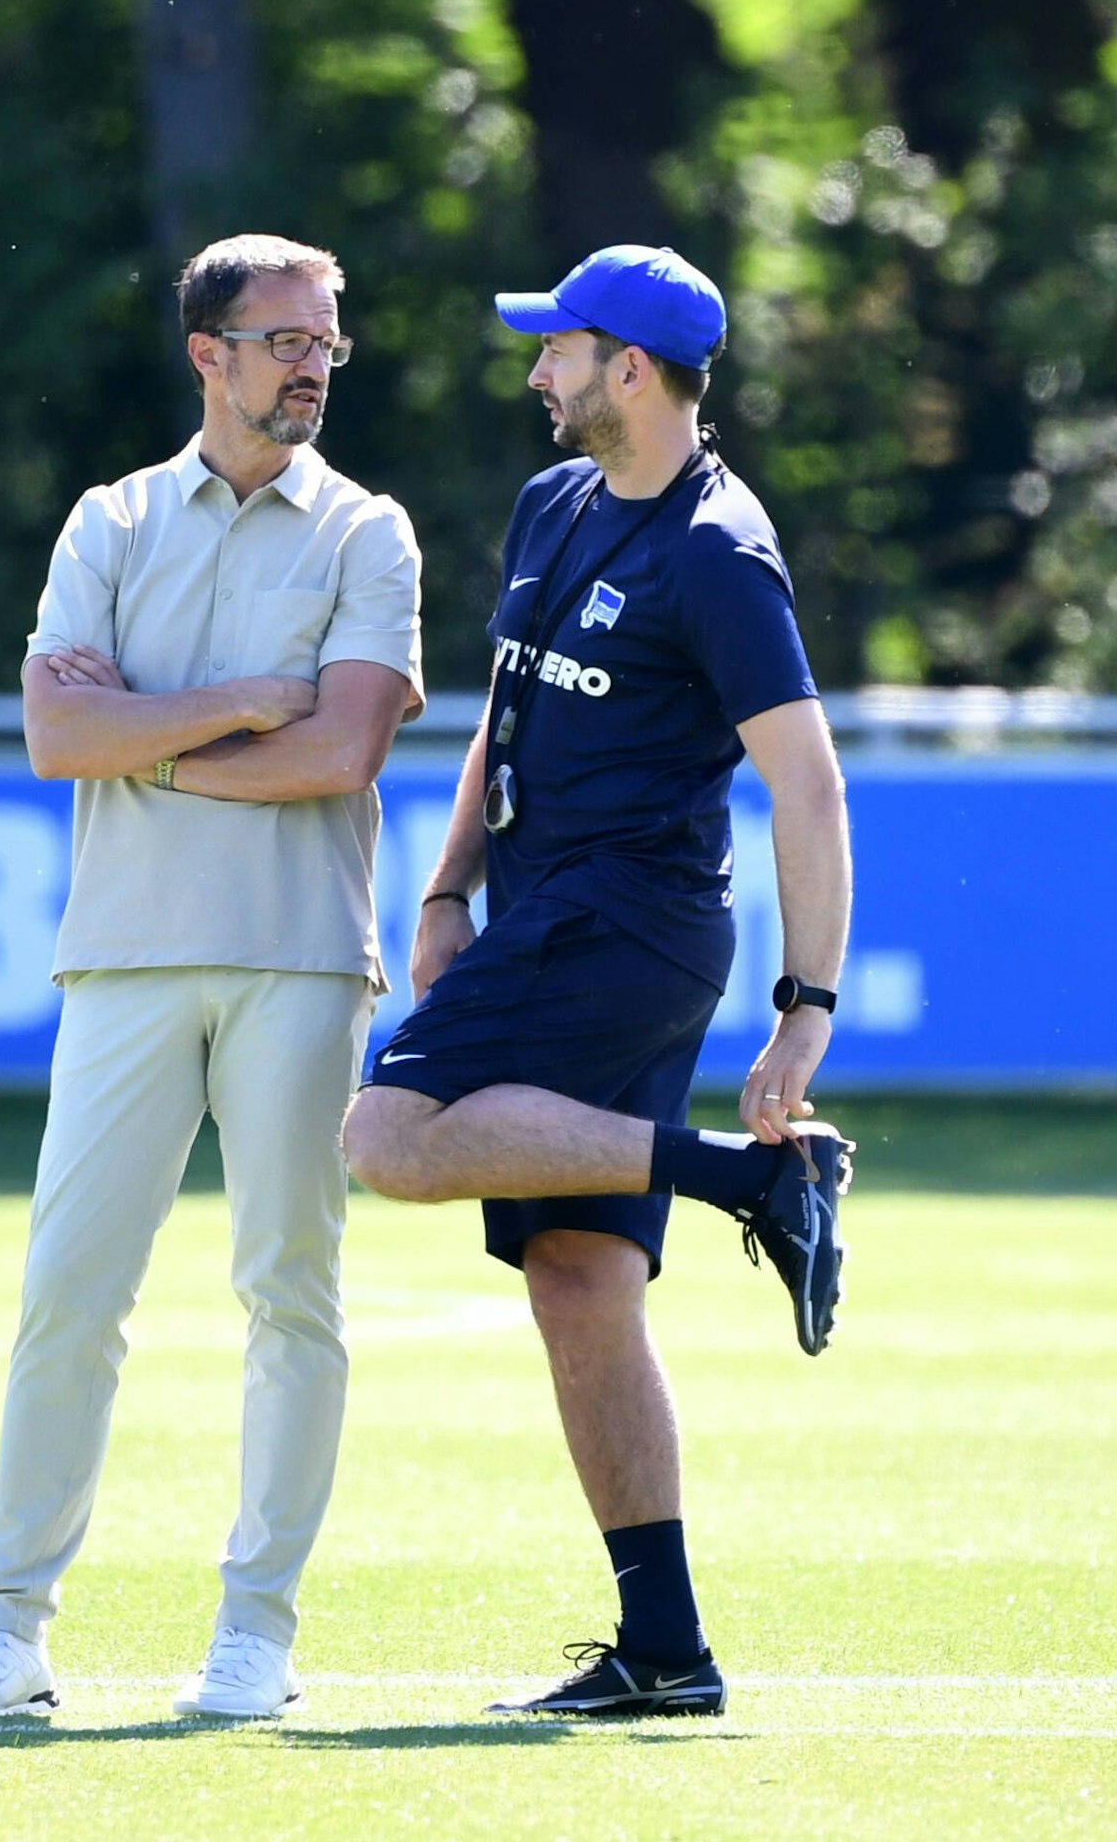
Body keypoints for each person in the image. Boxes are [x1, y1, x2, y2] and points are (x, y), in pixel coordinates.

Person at [341, 244, 853, 1719]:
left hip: (628, 926)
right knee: (578, 1284)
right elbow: (500, 720)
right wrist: (446, 888)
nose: (535, 369)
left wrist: (804, 1010)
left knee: (388, 1135)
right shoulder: (553, 500)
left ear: (630, 369)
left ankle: (753, 1180)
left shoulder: (718, 548)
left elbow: (807, 786)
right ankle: (666, 1651)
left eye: (556, 347)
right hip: (543, 914)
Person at [0, 234, 423, 1722]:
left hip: (301, 955)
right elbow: (57, 738)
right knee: (69, 1293)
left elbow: (343, 749)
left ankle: (255, 1635)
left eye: (326, 340)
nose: (314, 364)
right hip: (125, 952)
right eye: (286, 340)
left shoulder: (369, 531)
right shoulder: (113, 518)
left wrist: (150, 738)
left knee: (290, 1297)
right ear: (210, 354)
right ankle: (10, 1628)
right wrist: (248, 704)